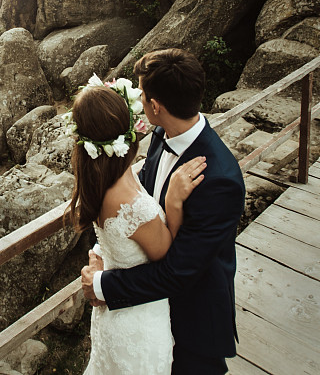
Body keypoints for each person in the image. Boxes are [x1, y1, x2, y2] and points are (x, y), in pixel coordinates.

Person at [80, 48, 245, 374]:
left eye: (142, 94)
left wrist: (100, 286)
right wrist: (104, 249)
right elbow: (134, 206)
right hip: (149, 314)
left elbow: (178, 273)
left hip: (192, 323)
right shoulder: (160, 134)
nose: (139, 98)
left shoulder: (220, 181)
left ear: (155, 106)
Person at [64, 76, 206, 374]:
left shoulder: (101, 175)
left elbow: (115, 235)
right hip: (139, 322)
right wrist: (173, 203)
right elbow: (167, 255)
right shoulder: (129, 201)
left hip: (115, 314)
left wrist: (101, 255)